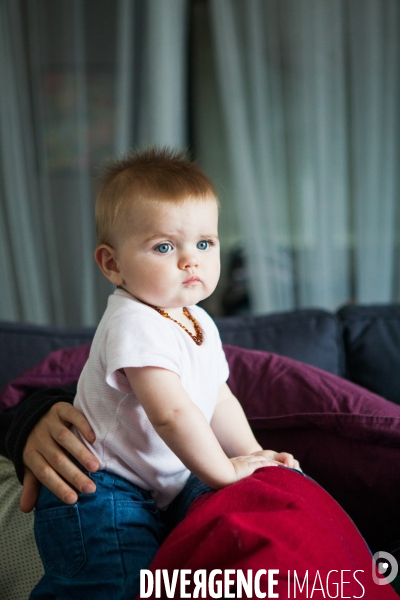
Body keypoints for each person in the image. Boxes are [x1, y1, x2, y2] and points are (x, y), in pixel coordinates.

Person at [26, 147, 300, 599]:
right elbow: (171, 412)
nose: (191, 260)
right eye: (165, 246)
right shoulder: (134, 322)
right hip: (99, 492)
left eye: (204, 243)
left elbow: (218, 397)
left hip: (148, 487)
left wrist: (253, 453)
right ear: (113, 264)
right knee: (118, 587)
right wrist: (224, 472)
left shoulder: (194, 318)